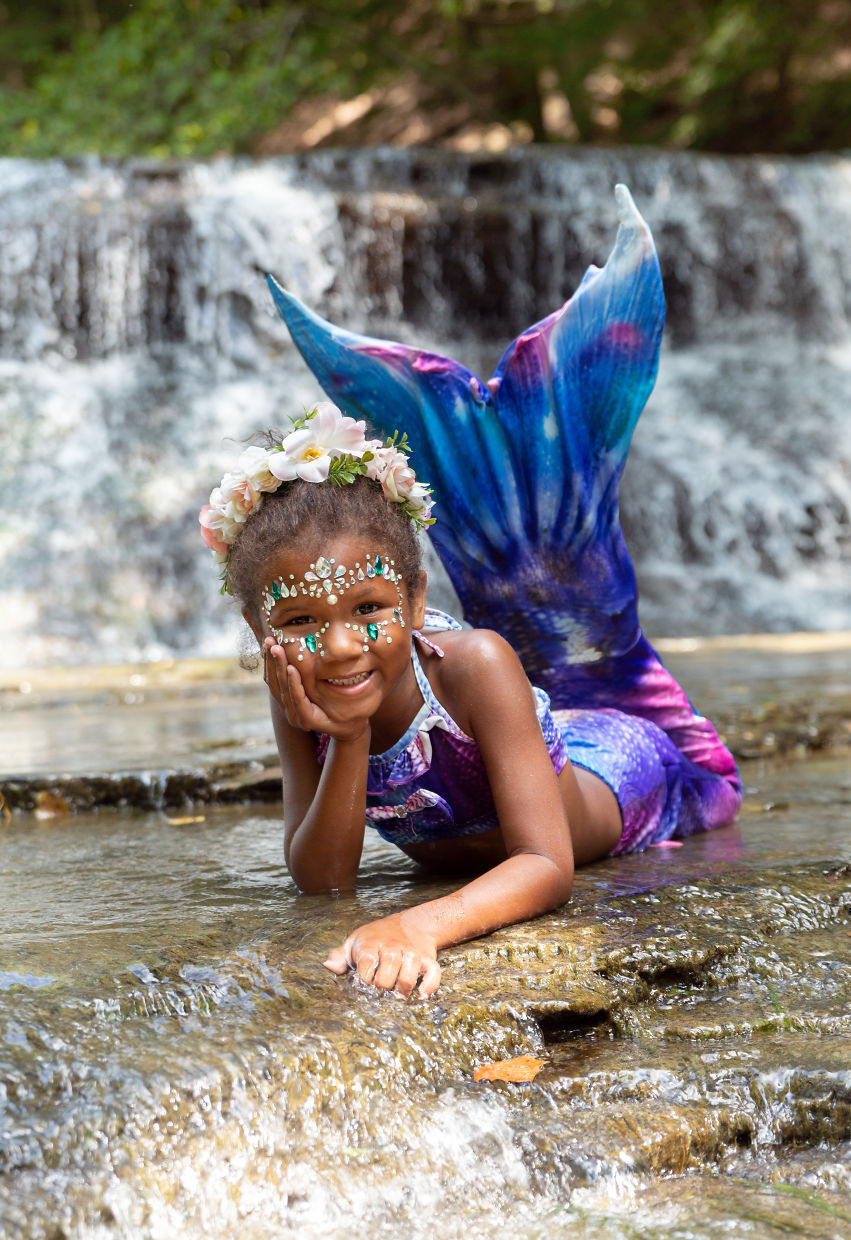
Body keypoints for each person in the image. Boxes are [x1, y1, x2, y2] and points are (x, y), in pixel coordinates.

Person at [198, 186, 742, 1000]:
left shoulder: (475, 663)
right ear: (258, 625)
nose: (338, 645)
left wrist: (420, 924)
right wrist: (347, 737)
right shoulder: (300, 692)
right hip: (534, 746)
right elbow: (322, 880)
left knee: (674, 747)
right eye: (303, 620)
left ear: (416, 601)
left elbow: (546, 863)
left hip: (629, 772)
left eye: (368, 609)